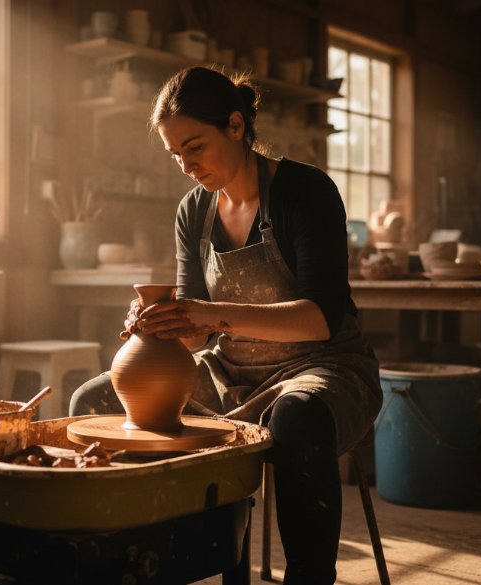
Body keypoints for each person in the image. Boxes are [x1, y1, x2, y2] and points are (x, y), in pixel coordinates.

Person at [69, 66, 382, 585]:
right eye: (176, 156)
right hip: (230, 372)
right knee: (94, 404)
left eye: (195, 147)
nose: (187, 166)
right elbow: (195, 336)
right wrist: (161, 324)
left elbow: (322, 320)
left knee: (296, 418)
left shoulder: (306, 192)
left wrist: (211, 315)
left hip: (324, 370)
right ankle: (149, 565)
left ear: (236, 126)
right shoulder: (194, 212)